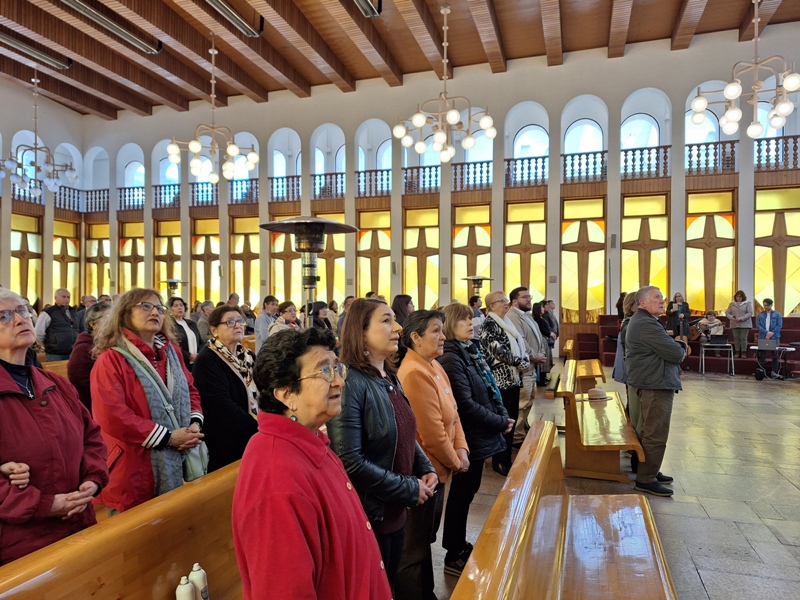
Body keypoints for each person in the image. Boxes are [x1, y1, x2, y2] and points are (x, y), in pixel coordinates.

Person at [233, 328, 391, 599]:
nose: (339, 381)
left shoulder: (308, 440)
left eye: (337, 368)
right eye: (324, 371)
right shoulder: (276, 477)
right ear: (286, 394)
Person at [327, 299, 438, 593]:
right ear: (361, 332)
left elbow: (404, 430)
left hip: (394, 510)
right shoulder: (350, 383)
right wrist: (408, 487)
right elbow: (349, 460)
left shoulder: (387, 376)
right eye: (386, 321)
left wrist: (424, 467)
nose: (398, 327)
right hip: (371, 516)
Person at [0, 289, 108, 564]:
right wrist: (44, 505)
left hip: (79, 522)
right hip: (22, 542)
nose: (20, 319)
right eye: (4, 316)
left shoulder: (55, 383)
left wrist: (92, 480)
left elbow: (91, 437)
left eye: (22, 311)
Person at [90, 288, 204, 512]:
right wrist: (169, 438)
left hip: (177, 453)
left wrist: (194, 425)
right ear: (125, 313)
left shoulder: (172, 352)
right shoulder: (111, 358)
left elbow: (190, 389)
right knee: (134, 530)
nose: (155, 312)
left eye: (159, 308)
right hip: (134, 464)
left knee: (174, 521)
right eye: (145, 306)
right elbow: (112, 415)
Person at [396, 310, 468, 599]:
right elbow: (431, 433)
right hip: (426, 473)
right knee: (414, 547)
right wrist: (456, 462)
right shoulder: (414, 372)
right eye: (436, 331)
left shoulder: (434, 365)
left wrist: (461, 448)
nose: (442, 336)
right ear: (415, 337)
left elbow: (454, 414)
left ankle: (427, 592)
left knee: (425, 538)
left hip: (441, 469)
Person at [437, 303, 510, 577]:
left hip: (478, 433)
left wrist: (502, 414)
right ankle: (453, 550)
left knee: (468, 490)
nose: (471, 323)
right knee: (462, 493)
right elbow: (465, 404)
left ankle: (459, 544)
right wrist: (499, 421)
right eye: (464, 320)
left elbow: (489, 389)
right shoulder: (451, 358)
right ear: (449, 325)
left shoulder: (469, 350)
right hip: (468, 435)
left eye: (471, 319)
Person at [626, 286, 686, 497]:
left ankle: (649, 469)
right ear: (642, 303)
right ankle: (646, 479)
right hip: (655, 383)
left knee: (649, 430)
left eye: (662, 297)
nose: (662, 301)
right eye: (657, 297)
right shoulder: (646, 324)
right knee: (655, 432)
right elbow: (675, 353)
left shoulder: (646, 321)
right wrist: (681, 347)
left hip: (653, 380)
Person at [192, 306, 258, 472]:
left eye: (240, 321)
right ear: (214, 330)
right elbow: (220, 405)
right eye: (230, 322)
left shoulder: (248, 356)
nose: (237, 325)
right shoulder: (207, 360)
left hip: (254, 435)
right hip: (226, 440)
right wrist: (258, 427)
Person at [481, 291, 529, 476]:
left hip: (513, 380)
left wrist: (524, 360)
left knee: (512, 419)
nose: (505, 303)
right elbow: (498, 350)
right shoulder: (489, 324)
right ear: (491, 306)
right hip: (500, 381)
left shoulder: (506, 322)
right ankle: (500, 460)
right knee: (504, 421)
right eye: (501, 301)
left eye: (505, 300)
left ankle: (506, 458)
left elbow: (519, 343)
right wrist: (520, 362)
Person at [506, 287, 547, 443]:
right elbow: (521, 341)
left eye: (529, 296)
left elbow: (536, 337)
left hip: (531, 366)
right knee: (522, 403)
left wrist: (540, 353)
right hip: (524, 367)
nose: (529, 299)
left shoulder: (526, 315)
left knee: (529, 400)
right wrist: (536, 356)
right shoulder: (513, 316)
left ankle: (522, 429)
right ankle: (517, 437)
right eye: (525, 297)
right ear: (514, 301)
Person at [612, 292, 641, 472]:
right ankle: (634, 449)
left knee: (634, 410)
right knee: (636, 413)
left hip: (633, 374)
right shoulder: (631, 325)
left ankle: (633, 447)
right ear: (632, 307)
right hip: (635, 374)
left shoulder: (631, 323)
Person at [67, 300, 112, 411]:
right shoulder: (83, 349)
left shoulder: (112, 344)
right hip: (94, 407)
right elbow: (80, 384)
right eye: (108, 317)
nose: (114, 321)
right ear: (93, 324)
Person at [34, 288, 80, 361]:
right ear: (55, 298)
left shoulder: (73, 312)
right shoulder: (49, 312)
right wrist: (46, 346)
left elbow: (76, 329)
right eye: (63, 297)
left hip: (72, 351)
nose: (66, 299)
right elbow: (38, 332)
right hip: (55, 353)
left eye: (68, 297)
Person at [168, 296, 202, 370]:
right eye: (176, 306)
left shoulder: (191, 323)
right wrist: (189, 356)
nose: (179, 307)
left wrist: (199, 354)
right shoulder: (170, 325)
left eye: (181, 305)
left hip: (196, 362)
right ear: (170, 309)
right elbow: (173, 345)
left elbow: (200, 341)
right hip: (181, 363)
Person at [756, 298, 783, 378]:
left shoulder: (777, 315)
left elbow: (779, 325)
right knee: (762, 354)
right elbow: (758, 325)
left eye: (767, 305)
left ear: (771, 305)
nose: (766, 307)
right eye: (764, 305)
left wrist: (771, 333)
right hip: (763, 336)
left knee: (775, 354)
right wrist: (766, 333)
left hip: (774, 336)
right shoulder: (760, 315)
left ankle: (774, 372)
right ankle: (761, 371)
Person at [531, 302, 554, 385]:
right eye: (542, 307)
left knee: (546, 360)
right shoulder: (537, 319)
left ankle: (544, 377)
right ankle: (540, 379)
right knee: (543, 360)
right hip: (542, 339)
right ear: (538, 309)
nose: (543, 308)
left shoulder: (541, 318)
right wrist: (550, 334)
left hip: (545, 339)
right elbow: (542, 330)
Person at [727, 290, 753, 358]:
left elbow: (750, 313)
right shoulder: (732, 304)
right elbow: (728, 313)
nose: (738, 298)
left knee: (743, 338)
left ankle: (744, 352)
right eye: (737, 296)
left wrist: (741, 318)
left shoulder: (747, 303)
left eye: (740, 296)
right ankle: (737, 352)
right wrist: (733, 317)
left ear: (743, 297)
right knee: (736, 338)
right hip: (734, 323)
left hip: (745, 324)